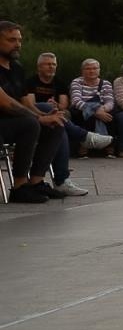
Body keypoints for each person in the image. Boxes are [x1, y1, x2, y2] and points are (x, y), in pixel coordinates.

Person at [0, 21, 71, 202]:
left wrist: (46, 117)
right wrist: (38, 119)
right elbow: (6, 103)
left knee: (56, 122)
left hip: (13, 122)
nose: (17, 44)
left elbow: (25, 102)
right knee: (30, 124)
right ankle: (19, 186)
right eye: (11, 40)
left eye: (19, 40)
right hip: (3, 122)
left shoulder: (17, 68)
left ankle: (36, 181)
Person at [25, 51, 106, 195]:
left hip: (54, 117)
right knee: (51, 112)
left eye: (54, 64)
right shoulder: (31, 82)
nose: (51, 67)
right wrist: (49, 109)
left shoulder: (59, 82)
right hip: (34, 117)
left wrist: (56, 106)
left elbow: (64, 105)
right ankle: (84, 138)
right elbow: (30, 104)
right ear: (39, 67)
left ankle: (63, 179)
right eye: (47, 64)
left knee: (60, 120)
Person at [70, 59, 116, 143]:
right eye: (88, 69)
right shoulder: (77, 82)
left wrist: (102, 110)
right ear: (82, 71)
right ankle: (84, 145)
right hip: (83, 109)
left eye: (95, 68)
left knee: (111, 115)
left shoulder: (106, 83)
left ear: (99, 70)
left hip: (101, 108)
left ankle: (109, 144)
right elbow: (76, 101)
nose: (91, 71)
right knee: (85, 115)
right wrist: (94, 112)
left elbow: (110, 102)